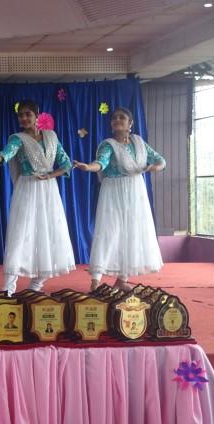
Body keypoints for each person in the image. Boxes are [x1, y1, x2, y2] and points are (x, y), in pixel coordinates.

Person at [0, 100, 75, 295]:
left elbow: (66, 164)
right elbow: (6, 154)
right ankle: (8, 289)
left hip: (48, 191)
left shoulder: (51, 137)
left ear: (37, 115)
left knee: (48, 234)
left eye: (28, 114)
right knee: (20, 235)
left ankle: (36, 286)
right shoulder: (18, 139)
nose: (24, 118)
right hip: (27, 189)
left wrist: (50, 175)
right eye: (20, 115)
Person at [74, 107, 166, 292]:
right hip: (113, 192)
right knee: (108, 232)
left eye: (122, 117)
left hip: (135, 191)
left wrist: (154, 168)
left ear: (130, 123)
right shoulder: (108, 145)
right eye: (114, 118)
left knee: (131, 232)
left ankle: (122, 278)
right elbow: (101, 163)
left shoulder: (138, 142)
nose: (117, 120)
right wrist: (88, 167)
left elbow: (160, 160)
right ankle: (95, 281)